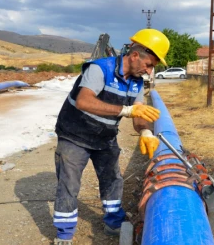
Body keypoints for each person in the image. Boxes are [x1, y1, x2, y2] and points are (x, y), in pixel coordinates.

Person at [52, 28, 170, 244]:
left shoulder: (136, 81)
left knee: (112, 179)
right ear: (135, 55)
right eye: (149, 64)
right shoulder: (100, 69)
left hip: (104, 137)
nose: (149, 71)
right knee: (69, 182)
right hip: (74, 135)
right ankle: (64, 233)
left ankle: (113, 222)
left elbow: (139, 112)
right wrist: (124, 111)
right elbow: (84, 101)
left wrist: (144, 130)